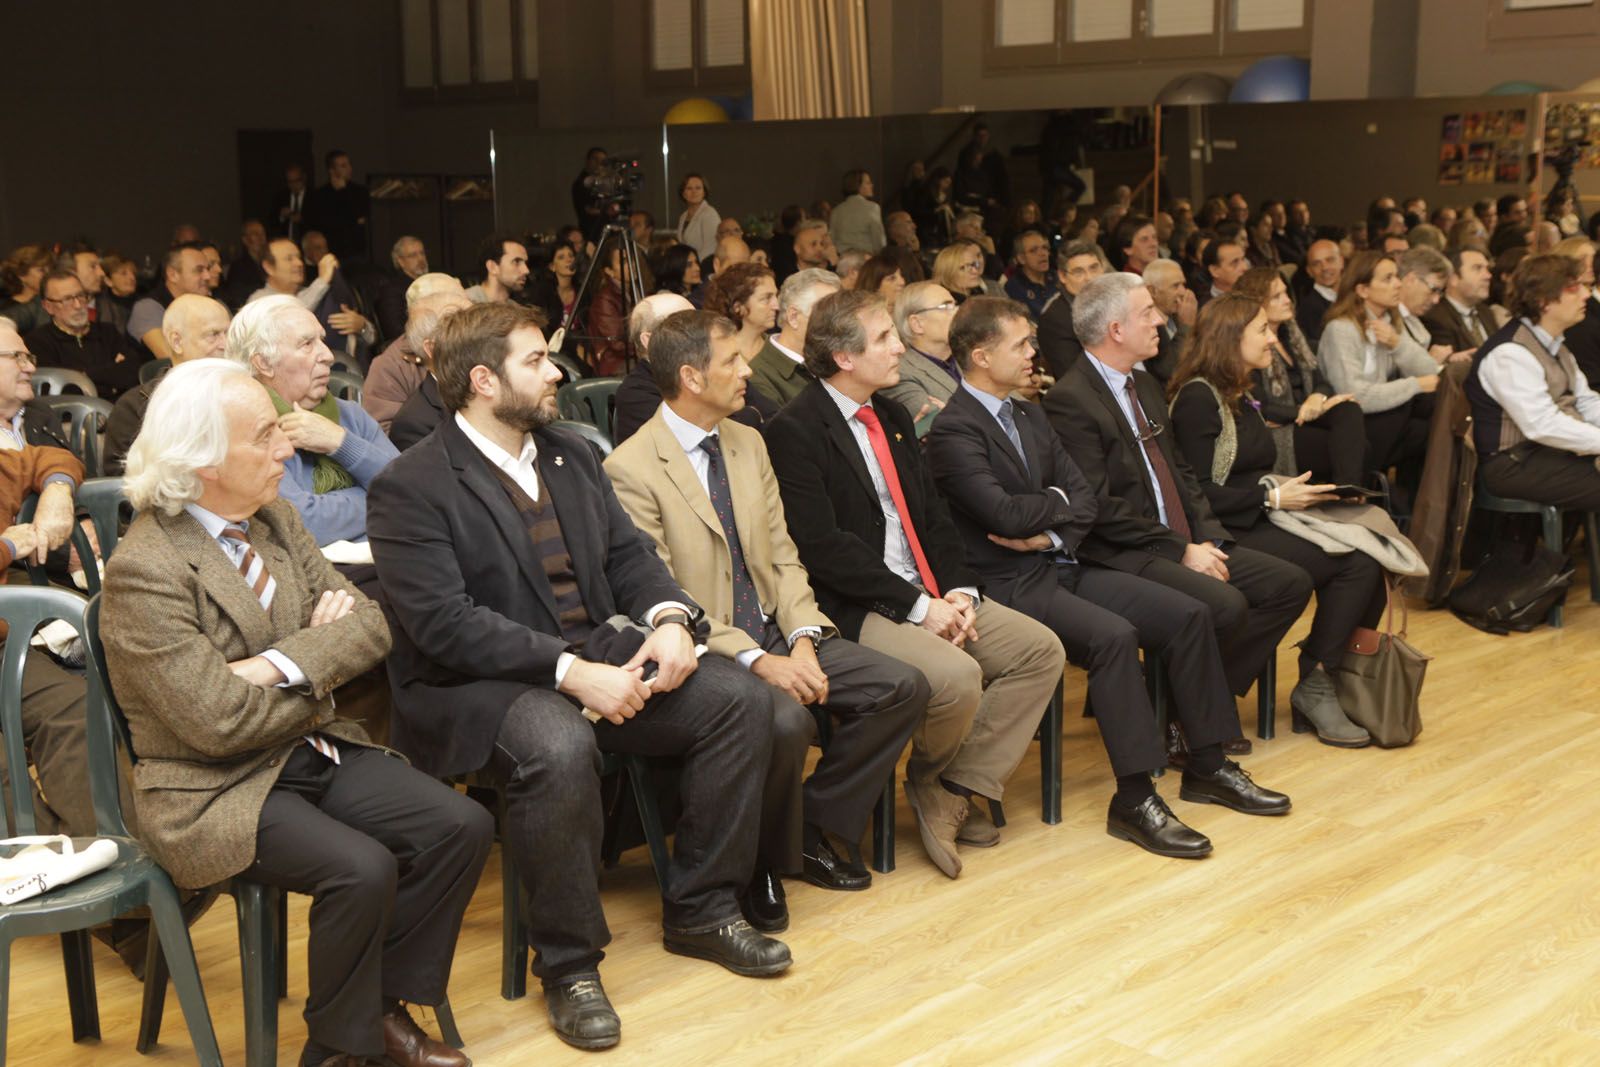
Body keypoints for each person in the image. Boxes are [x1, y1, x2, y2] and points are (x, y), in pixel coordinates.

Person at [367, 301, 790, 1051]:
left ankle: (701, 903)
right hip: (474, 687)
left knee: (737, 698)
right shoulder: (412, 484)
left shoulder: (568, 452)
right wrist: (571, 671)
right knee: (558, 745)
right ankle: (568, 964)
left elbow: (630, 558)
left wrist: (667, 618)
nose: (557, 370)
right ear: (482, 382)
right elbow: (443, 624)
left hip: (598, 653)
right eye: (536, 360)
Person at [102, 357, 489, 1067]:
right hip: (210, 785)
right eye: (263, 437)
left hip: (306, 749)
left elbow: (370, 627)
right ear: (202, 460)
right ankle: (337, 1050)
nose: (287, 448)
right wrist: (318, 663)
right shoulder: (146, 567)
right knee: (362, 868)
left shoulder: (273, 519)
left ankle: (373, 1011)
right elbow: (214, 722)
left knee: (459, 826)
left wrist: (274, 666)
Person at [925, 298, 1289, 856]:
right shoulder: (954, 429)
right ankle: (1135, 798)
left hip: (1066, 560)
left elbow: (1085, 500)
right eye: (1021, 344)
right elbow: (1001, 516)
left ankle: (1208, 765)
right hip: (1013, 584)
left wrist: (1050, 528)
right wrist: (1057, 506)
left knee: (1191, 614)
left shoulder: (1028, 412)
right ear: (980, 355)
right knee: (1115, 637)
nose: (1033, 353)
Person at [606, 308, 926, 925]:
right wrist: (759, 660)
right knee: (783, 723)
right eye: (733, 360)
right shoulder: (631, 468)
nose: (748, 369)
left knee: (900, 687)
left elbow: (783, 554)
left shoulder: (748, 440)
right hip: (712, 651)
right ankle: (758, 866)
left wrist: (804, 638)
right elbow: (661, 595)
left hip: (783, 628)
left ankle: (811, 827)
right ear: (693, 377)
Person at [766, 290, 1066, 879]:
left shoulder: (894, 415)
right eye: (882, 338)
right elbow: (824, 549)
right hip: (857, 601)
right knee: (956, 676)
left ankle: (950, 785)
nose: (899, 345)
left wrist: (959, 592)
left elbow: (931, 518)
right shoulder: (795, 430)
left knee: (1039, 651)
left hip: (927, 589)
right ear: (843, 358)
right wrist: (917, 606)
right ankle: (931, 780)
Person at [1043, 273, 1313, 700]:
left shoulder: (1144, 385)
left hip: (1178, 536)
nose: (1159, 321)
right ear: (1116, 330)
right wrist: (1181, 549)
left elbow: (1182, 473)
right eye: (1147, 313)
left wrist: (1209, 537)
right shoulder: (1070, 399)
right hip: (1130, 549)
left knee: (1289, 584)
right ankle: (1190, 706)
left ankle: (1197, 696)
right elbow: (1099, 504)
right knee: (1225, 605)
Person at [1168, 295, 1387, 747]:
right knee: (1311, 574)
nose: (1273, 338)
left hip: (1260, 515)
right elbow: (1195, 495)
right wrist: (1271, 496)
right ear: (1231, 338)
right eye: (1262, 330)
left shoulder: (1239, 393)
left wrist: (1293, 494)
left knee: (1366, 557)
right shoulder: (1197, 399)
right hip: (1225, 530)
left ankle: (1318, 676)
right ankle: (1209, 694)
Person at [227, 295, 400, 549]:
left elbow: (410, 488)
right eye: (307, 344)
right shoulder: (249, 430)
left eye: (323, 340)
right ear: (264, 363)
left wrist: (341, 442)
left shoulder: (350, 415)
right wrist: (383, 500)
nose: (328, 355)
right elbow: (305, 524)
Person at [1465, 253, 1600, 510]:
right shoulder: (1510, 352)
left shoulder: (1556, 344)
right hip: (1512, 464)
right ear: (1543, 301)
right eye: (1574, 288)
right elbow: (1541, 424)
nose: (1585, 295)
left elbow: (1585, 401)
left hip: (1543, 452)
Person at [1317, 250, 1440, 496]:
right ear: (1362, 290)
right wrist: (1414, 385)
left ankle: (1418, 506)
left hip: (1384, 421)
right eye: (1388, 279)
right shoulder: (1340, 329)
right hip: (1350, 425)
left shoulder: (1387, 322)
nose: (1398, 284)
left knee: (1433, 424)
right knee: (1417, 407)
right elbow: (1354, 395)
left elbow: (1432, 374)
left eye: (1396, 277)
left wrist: (1397, 343)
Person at [1231, 268, 1362, 486]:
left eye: (1285, 293)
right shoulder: (1251, 346)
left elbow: (1322, 381)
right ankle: (1348, 493)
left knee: (1349, 408)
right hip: (1281, 429)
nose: (1287, 300)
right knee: (1358, 447)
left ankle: (1347, 492)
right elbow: (1261, 406)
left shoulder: (1291, 334)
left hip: (1306, 417)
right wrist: (1306, 411)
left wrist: (1317, 399)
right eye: (1276, 296)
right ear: (1257, 303)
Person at [613, 293, 776, 446]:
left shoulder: (721, 370)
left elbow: (773, 417)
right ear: (649, 340)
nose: (700, 331)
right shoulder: (635, 394)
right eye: (683, 326)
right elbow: (697, 439)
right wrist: (751, 415)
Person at [104, 295, 231, 475]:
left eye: (228, 334)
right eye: (213, 335)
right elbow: (122, 485)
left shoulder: (244, 396)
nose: (225, 345)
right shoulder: (135, 407)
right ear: (177, 342)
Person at [250, 238, 376, 368]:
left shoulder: (316, 293)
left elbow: (371, 338)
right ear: (269, 267)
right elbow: (288, 321)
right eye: (289, 259)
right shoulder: (258, 302)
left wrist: (361, 326)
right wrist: (322, 281)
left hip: (345, 377)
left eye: (299, 257)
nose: (299, 263)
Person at [364, 290, 470, 435]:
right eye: (460, 323)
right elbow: (384, 439)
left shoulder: (488, 367)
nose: (480, 331)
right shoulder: (415, 424)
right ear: (432, 347)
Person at [25, 269, 144, 399]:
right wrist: (111, 372)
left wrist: (84, 375)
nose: (78, 305)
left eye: (81, 296)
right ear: (48, 306)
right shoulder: (38, 341)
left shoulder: (108, 332)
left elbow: (133, 372)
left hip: (117, 411)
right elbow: (60, 391)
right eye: (67, 299)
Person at [746, 267, 839, 409]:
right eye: (826, 314)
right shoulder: (759, 378)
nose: (838, 323)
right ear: (793, 317)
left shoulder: (837, 360)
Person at [884, 280, 960, 438]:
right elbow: (942, 427)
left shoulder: (968, 356)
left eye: (955, 305)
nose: (957, 312)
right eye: (946, 307)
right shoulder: (899, 372)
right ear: (917, 324)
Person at [1036, 239, 1108, 378]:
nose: (1089, 278)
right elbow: (1074, 376)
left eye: (1094, 268)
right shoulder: (1055, 319)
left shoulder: (1117, 299)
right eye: (1078, 272)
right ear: (1062, 276)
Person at [703, 261, 779, 391]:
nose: (776, 306)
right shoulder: (718, 355)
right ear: (738, 307)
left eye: (776, 296)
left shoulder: (778, 347)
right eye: (766, 298)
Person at [128, 243, 212, 360]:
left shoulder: (210, 305)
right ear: (173, 275)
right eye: (199, 270)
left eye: (208, 269)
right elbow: (169, 356)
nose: (208, 276)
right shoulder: (147, 308)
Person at [1395, 246, 1468, 363]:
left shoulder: (1414, 320)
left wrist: (1449, 359)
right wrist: (1431, 361)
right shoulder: (1385, 318)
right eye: (1433, 290)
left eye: (1440, 293)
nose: (1436, 300)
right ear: (1411, 279)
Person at [1422, 246, 1495, 356]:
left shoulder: (1486, 312)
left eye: (1487, 269)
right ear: (1453, 278)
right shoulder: (1436, 318)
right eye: (1477, 268)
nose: (1488, 276)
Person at [304, 149, 371, 261]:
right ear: (332, 170)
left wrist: (343, 192)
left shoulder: (360, 191)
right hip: (329, 251)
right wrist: (350, 220)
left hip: (355, 251)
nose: (349, 168)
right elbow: (319, 223)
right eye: (343, 166)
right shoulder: (318, 195)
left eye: (349, 164)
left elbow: (360, 216)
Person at [1140, 259, 1197, 387]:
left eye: (1183, 284)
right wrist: (1186, 326)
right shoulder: (1147, 324)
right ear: (1152, 291)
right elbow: (1168, 369)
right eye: (1175, 286)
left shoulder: (1175, 315)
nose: (1183, 292)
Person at [829, 169, 886, 255]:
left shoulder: (836, 210)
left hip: (842, 260)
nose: (872, 185)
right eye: (868, 182)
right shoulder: (873, 208)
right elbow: (878, 240)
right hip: (865, 260)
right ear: (857, 186)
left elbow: (832, 239)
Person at [0, 244, 53, 334]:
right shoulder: (7, 308)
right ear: (22, 275)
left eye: (51, 269)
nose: (49, 275)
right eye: (41, 270)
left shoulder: (56, 302)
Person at [1002, 229, 1055, 319]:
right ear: (1021, 258)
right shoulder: (1014, 287)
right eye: (1033, 250)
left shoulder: (1057, 277)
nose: (1043, 253)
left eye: (1045, 248)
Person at [465, 233, 530, 305]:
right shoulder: (465, 303)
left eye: (525, 263)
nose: (526, 271)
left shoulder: (515, 310)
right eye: (516, 261)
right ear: (492, 267)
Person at [675, 174, 722, 262]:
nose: (694, 192)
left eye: (698, 188)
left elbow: (711, 248)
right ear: (683, 193)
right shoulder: (683, 216)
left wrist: (692, 264)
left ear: (704, 192)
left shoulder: (710, 214)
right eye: (689, 188)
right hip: (688, 267)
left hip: (704, 266)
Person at [1197, 238, 1248, 308]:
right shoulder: (1208, 309)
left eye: (1243, 259)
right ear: (1214, 271)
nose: (1244, 267)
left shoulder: (1253, 294)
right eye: (1235, 262)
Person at [271, 162, 310, 241]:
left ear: (304, 178)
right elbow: (272, 222)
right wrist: (281, 216)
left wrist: (302, 219)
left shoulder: (314, 196)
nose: (293, 185)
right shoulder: (281, 197)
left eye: (297, 180)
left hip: (307, 242)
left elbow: (319, 222)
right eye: (290, 182)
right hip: (287, 241)